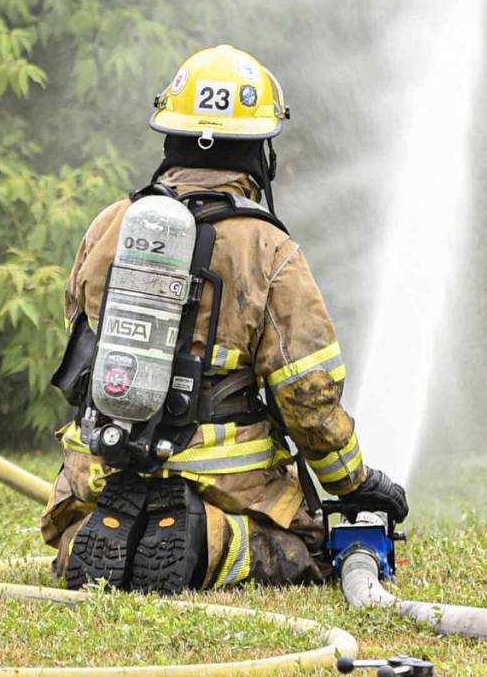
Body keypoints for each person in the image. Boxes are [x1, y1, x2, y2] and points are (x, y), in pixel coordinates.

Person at [42, 45, 407, 591]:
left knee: (89, 529)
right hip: (220, 484)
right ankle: (203, 544)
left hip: (101, 471)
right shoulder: (268, 248)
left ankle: (87, 543)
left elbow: (79, 345)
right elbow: (308, 398)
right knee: (301, 547)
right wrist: (355, 482)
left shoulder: (111, 226)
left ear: (170, 140)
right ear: (258, 154)